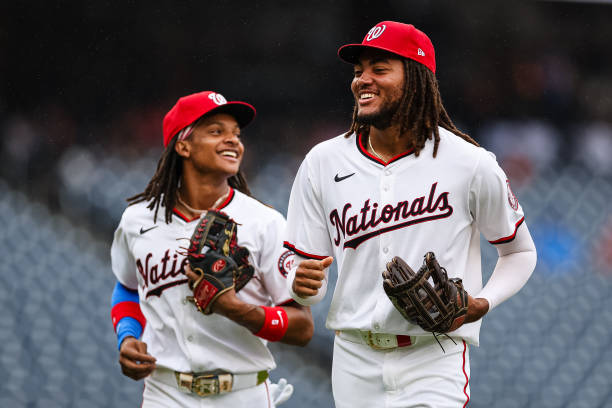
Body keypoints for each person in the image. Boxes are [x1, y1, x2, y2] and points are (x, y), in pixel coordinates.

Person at [284, 21, 537, 407]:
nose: (362, 80)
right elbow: (304, 273)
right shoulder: (322, 162)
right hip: (354, 357)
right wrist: (298, 280)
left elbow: (519, 251)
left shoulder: (469, 163)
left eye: (379, 69)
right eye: (358, 71)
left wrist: (482, 303)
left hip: (433, 358)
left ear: (416, 76)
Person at [110, 90, 313, 407]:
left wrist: (236, 309)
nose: (233, 141)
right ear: (183, 145)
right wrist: (128, 336)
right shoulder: (137, 221)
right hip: (165, 392)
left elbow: (302, 327)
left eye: (236, 134)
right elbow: (126, 288)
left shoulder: (264, 223)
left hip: (242, 393)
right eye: (217, 131)